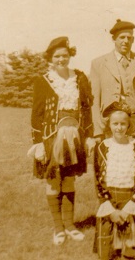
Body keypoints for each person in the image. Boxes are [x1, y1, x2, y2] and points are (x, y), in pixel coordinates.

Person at [88, 19, 135, 235]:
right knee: (109, 174)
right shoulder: (99, 63)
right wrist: (98, 131)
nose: (125, 41)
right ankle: (110, 226)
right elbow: (94, 98)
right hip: (111, 126)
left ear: (133, 39)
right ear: (114, 39)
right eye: (121, 38)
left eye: (129, 38)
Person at [27, 36, 93, 245]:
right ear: (50, 58)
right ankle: (58, 229)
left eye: (65, 55)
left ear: (70, 55)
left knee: (70, 180)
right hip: (51, 137)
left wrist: (89, 136)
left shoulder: (80, 77)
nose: (61, 60)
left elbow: (86, 107)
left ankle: (70, 226)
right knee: (54, 181)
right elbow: (36, 113)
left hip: (75, 136)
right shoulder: (43, 80)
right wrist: (38, 143)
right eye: (57, 56)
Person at [93, 99, 135, 260]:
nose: (119, 128)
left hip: (130, 199)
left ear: (129, 125)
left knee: (133, 252)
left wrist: (129, 207)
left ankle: (129, 249)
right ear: (109, 125)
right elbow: (98, 178)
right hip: (109, 199)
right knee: (106, 255)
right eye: (115, 124)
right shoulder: (102, 147)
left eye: (123, 124)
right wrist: (109, 208)